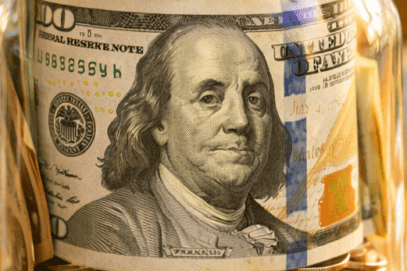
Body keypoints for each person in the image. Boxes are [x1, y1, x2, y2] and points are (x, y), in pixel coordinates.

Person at [64, 19, 308, 258]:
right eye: (209, 98)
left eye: (255, 100)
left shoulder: (295, 243)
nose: (241, 121)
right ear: (159, 121)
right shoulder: (107, 229)